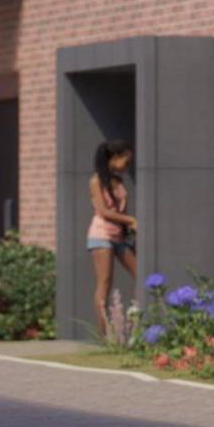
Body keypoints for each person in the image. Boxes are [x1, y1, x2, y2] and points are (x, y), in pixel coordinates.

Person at [85, 141, 136, 343]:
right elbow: (104, 211)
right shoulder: (96, 181)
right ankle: (104, 335)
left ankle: (134, 325)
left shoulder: (118, 181)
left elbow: (120, 211)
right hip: (101, 235)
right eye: (125, 160)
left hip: (119, 236)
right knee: (104, 282)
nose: (127, 165)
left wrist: (127, 226)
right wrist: (131, 220)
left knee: (140, 274)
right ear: (114, 158)